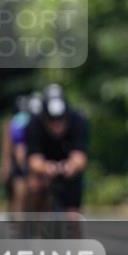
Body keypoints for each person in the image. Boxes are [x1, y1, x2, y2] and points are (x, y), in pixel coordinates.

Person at [26, 85, 90, 219]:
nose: (57, 125)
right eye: (52, 120)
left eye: (60, 120)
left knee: (73, 217)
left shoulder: (78, 121)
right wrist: (45, 168)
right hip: (44, 165)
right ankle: (34, 225)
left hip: (68, 167)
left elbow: (80, 157)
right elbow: (34, 159)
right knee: (35, 186)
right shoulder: (34, 124)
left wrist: (70, 166)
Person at [0, 94, 34, 213]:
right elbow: (17, 148)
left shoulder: (13, 121)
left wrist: (4, 165)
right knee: (20, 191)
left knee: (18, 193)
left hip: (23, 161)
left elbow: (9, 147)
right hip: (23, 161)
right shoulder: (18, 122)